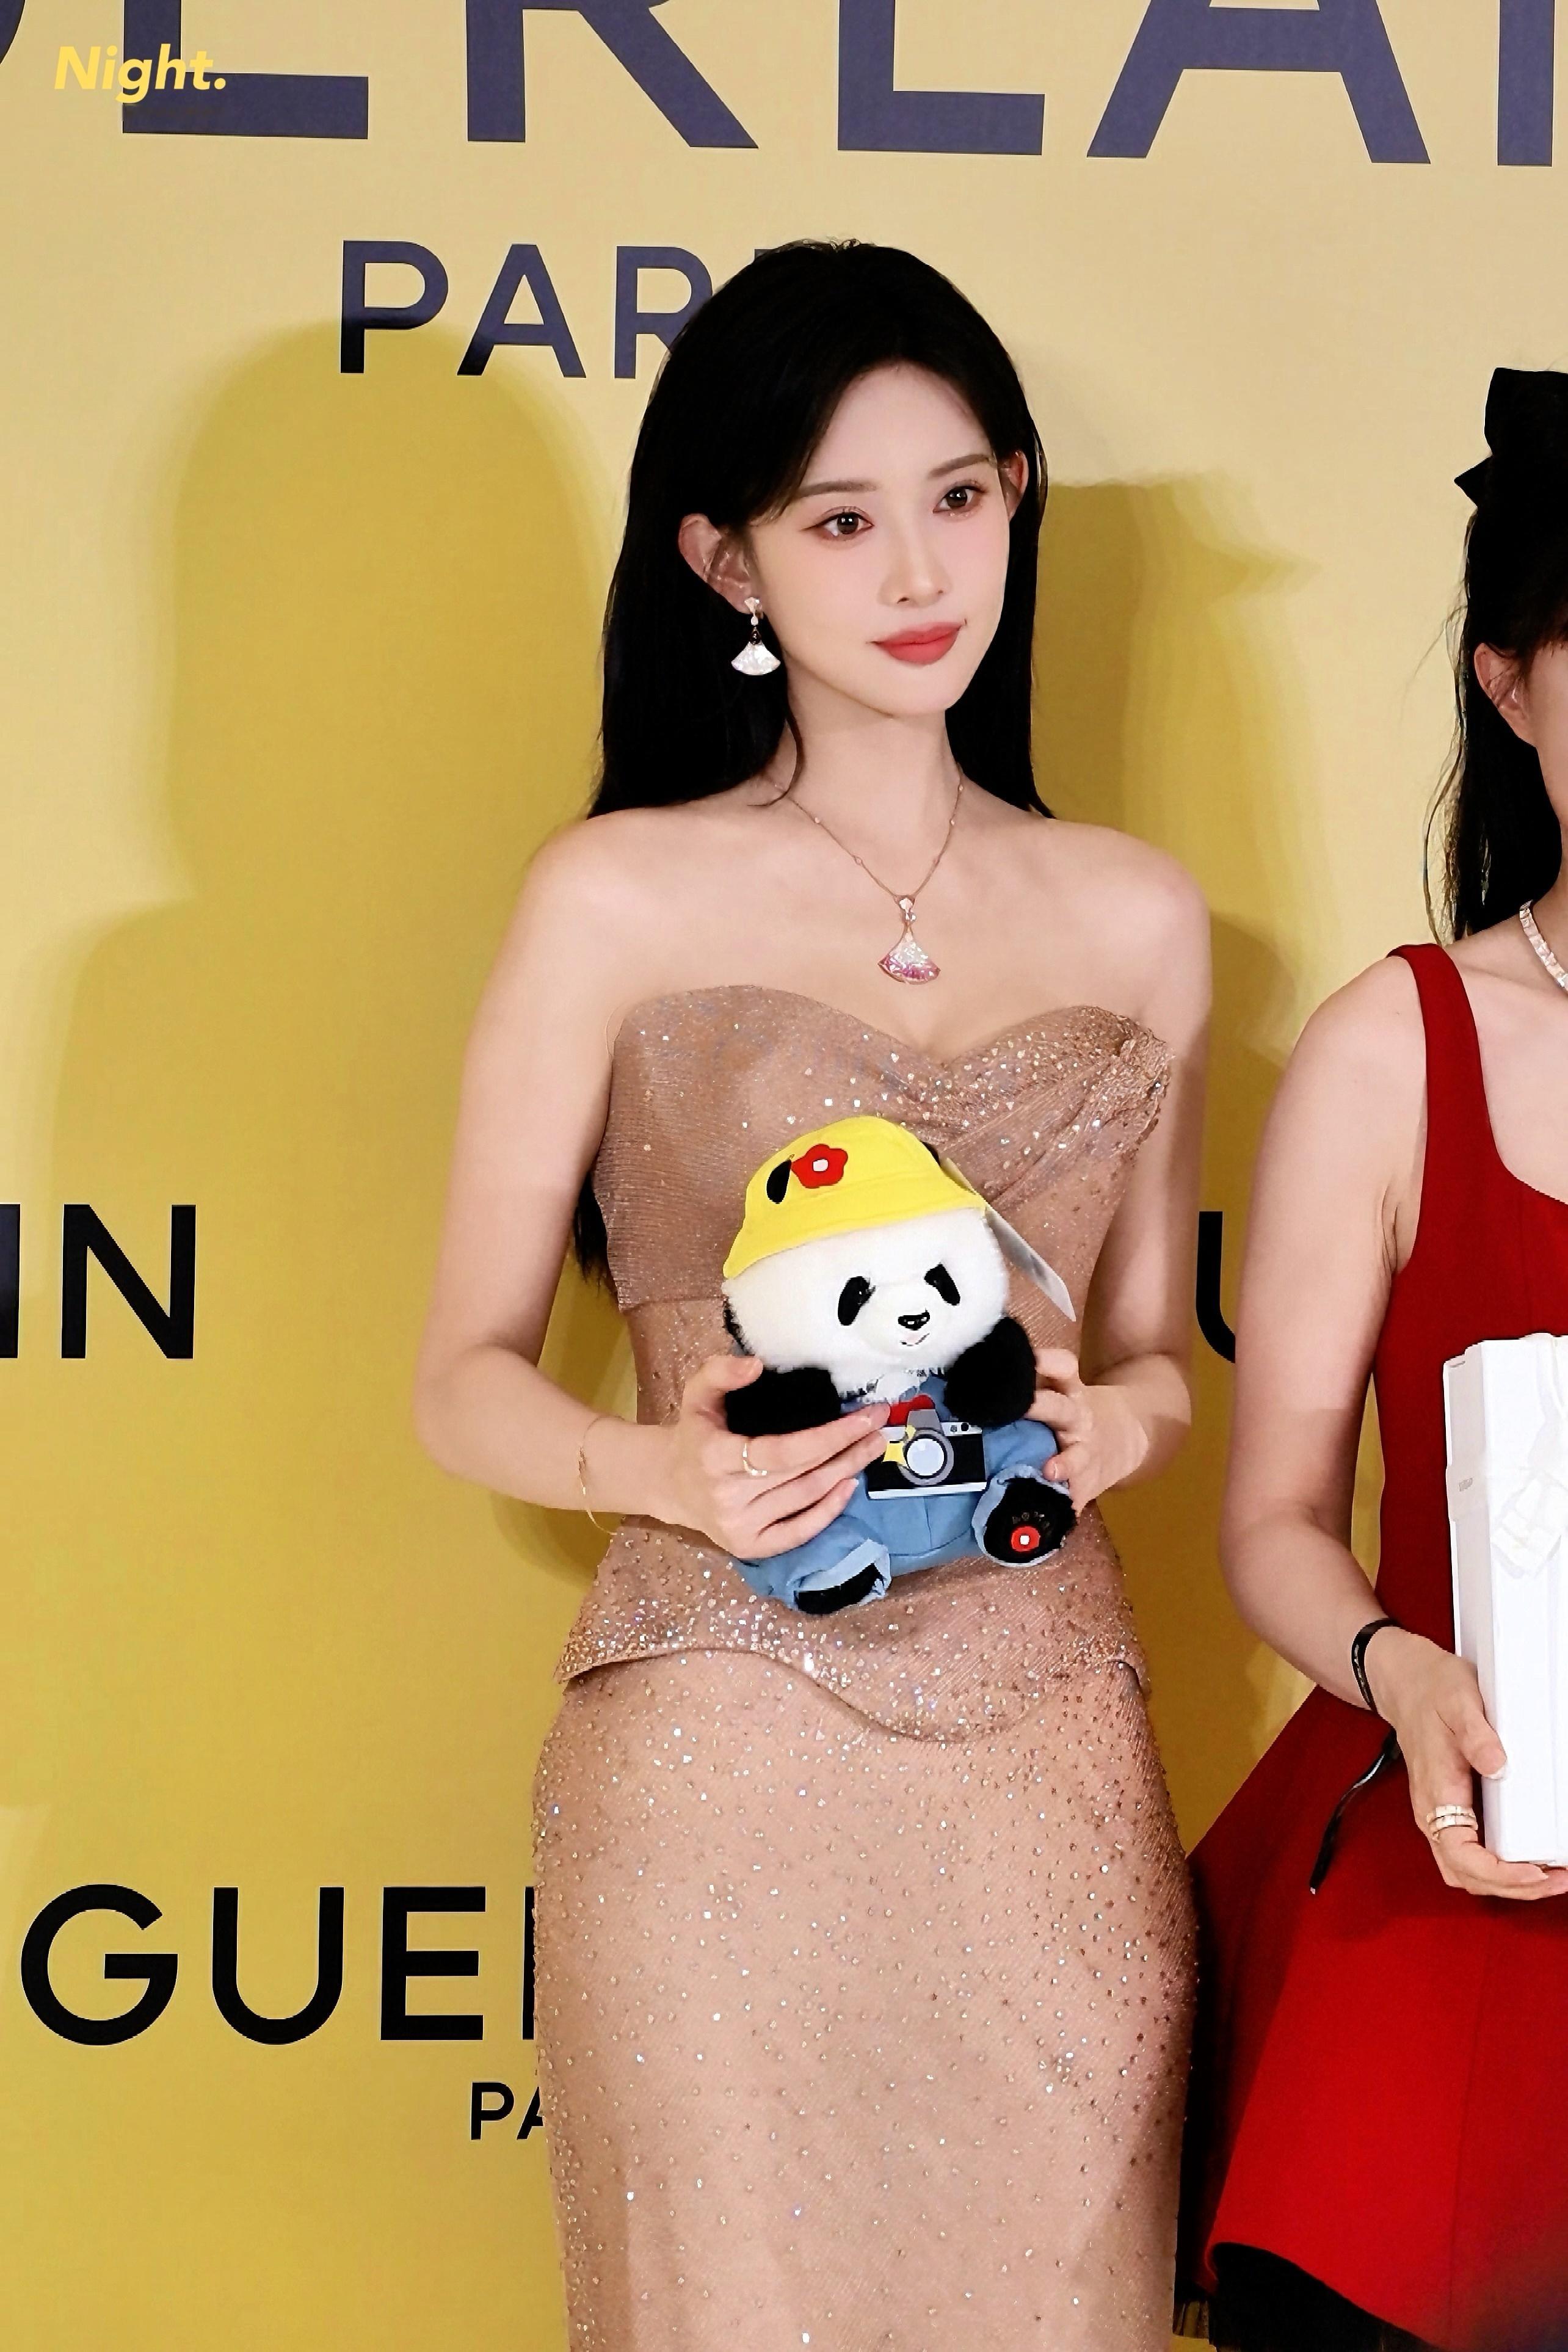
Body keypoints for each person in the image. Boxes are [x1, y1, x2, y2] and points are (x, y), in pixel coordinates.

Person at [413, 239, 1208, 2348]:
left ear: (1019, 496)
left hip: (1048, 1764)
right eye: (840, 521)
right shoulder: (614, 892)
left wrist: (1124, 1421)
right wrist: (660, 1470)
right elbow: (462, 1374)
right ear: (725, 559)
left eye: (960, 496)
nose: (921, 570)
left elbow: (1155, 1358)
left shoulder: (1138, 914)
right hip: (717, 1755)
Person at [1180, 367, 1568, 2352]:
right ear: (1512, 684)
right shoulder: (1393, 1045)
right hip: (1464, 1841)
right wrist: (1397, 1666)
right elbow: (1272, 1518)